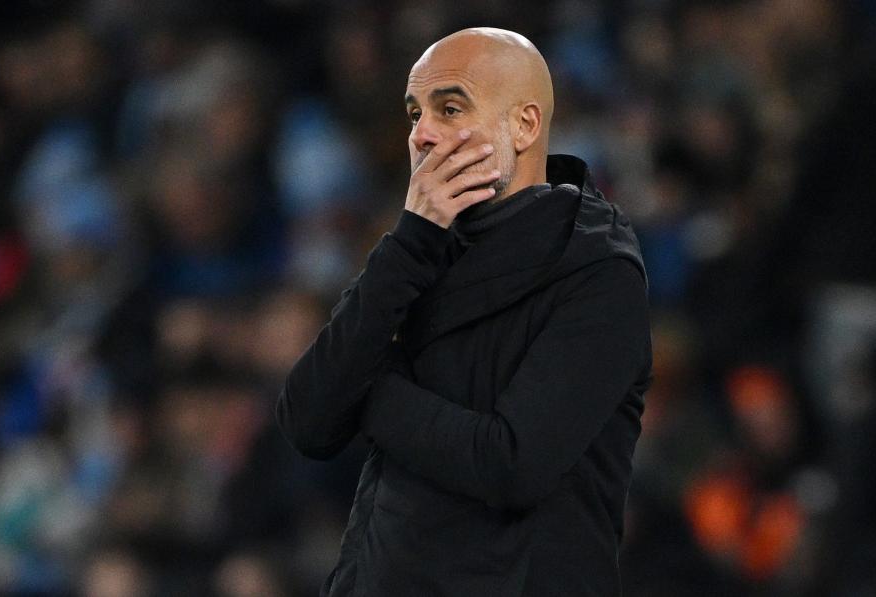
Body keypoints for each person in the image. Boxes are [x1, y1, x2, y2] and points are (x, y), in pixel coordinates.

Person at [276, 27, 651, 596]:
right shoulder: (416, 253)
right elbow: (307, 419)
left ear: (524, 126)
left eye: (450, 108)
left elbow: (511, 464)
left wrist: (370, 391)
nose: (422, 135)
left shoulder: (598, 270)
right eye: (414, 114)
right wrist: (408, 243)